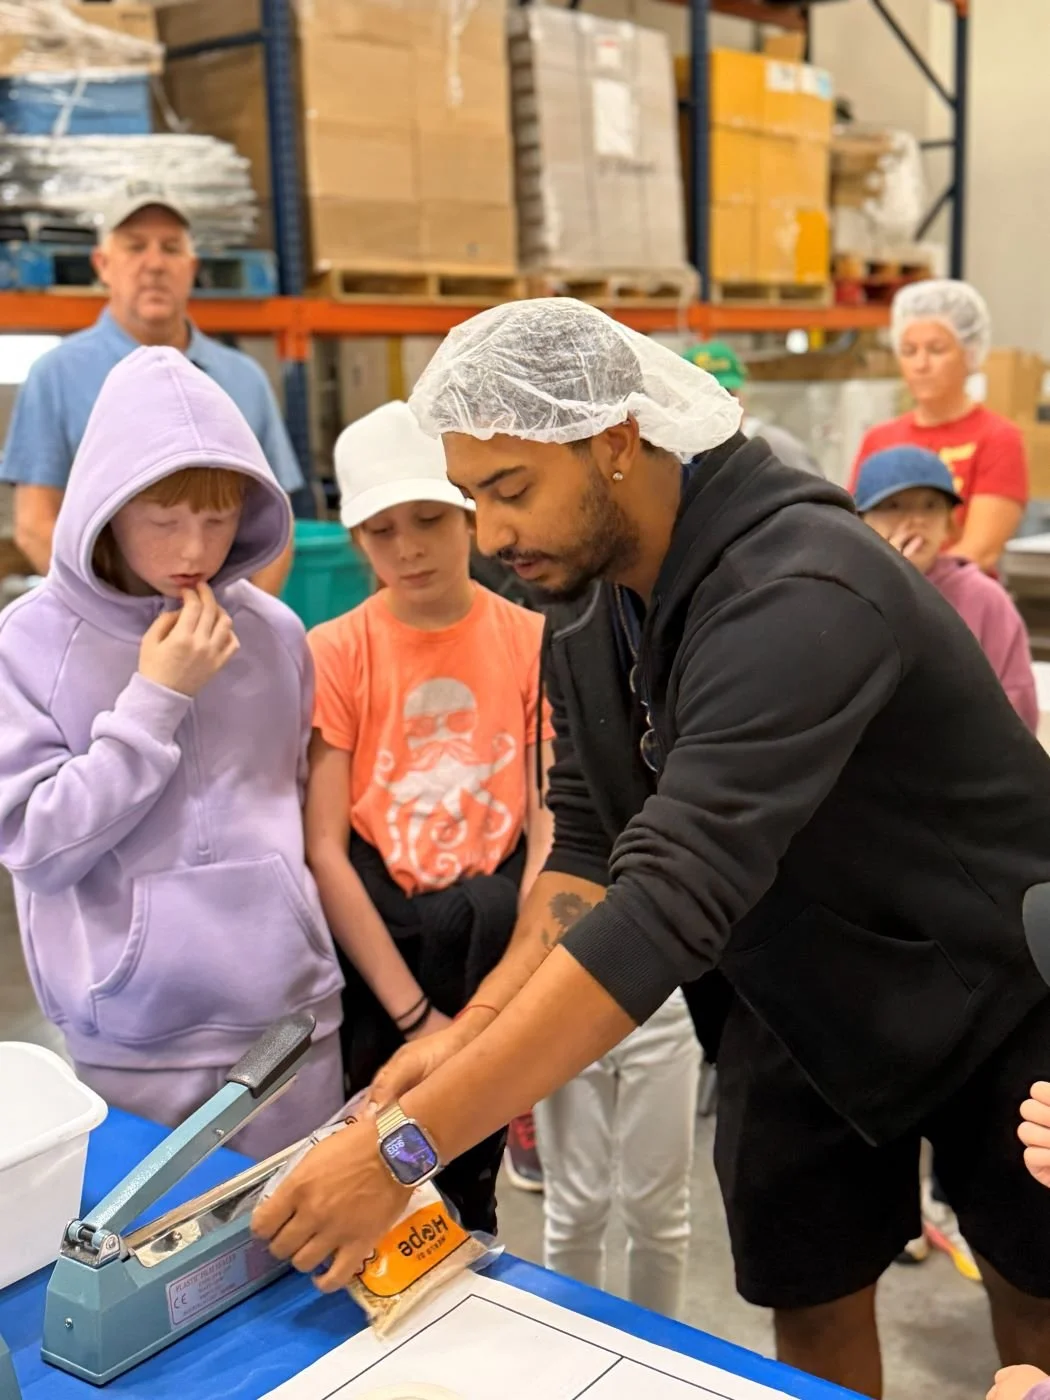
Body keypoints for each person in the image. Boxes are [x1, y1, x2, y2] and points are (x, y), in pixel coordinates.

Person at [252, 299, 1050, 1400]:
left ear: (617, 440)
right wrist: (468, 1033)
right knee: (808, 1284)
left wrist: (406, 1149)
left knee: (1034, 1279)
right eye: (472, 494)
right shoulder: (592, 600)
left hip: (988, 985)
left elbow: (672, 892)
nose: (488, 536)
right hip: (799, 987)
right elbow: (586, 848)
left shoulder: (802, 587)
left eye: (511, 488)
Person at [0, 347, 344, 1160]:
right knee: (149, 1271)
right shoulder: (30, 641)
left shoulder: (274, 633)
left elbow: (291, 804)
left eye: (220, 517)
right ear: (108, 506)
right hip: (131, 1037)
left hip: (295, 1022)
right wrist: (157, 700)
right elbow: (33, 846)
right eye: (163, 517)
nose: (197, 544)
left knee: (304, 1260)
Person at [303, 399, 554, 1231]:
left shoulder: (527, 639)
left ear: (470, 517)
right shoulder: (336, 651)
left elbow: (550, 816)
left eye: (429, 519)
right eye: (382, 530)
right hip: (388, 958)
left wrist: (503, 999)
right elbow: (327, 850)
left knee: (467, 1200)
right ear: (356, 540)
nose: (408, 548)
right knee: (381, 1185)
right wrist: (415, 1014)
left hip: (496, 947)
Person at [1, 186, 303, 595]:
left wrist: (242, 625)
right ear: (102, 264)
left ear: (192, 266)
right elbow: (36, 524)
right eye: (135, 247)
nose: (155, 264)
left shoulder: (243, 379)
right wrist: (109, 619)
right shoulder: (56, 375)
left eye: (171, 248)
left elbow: (276, 525)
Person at [534, 986, 699, 1315]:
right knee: (574, 1212)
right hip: (567, 991)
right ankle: (571, 1345)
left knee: (658, 1214)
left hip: (665, 990)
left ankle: (658, 1351)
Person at [856, 446, 1038, 733]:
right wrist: (891, 578)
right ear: (861, 521)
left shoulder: (984, 598)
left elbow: (1017, 706)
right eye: (893, 506)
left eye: (930, 505)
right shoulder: (850, 593)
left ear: (950, 523)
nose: (915, 520)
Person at [851, 279, 1028, 574]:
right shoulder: (879, 439)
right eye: (908, 351)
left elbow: (979, 552)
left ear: (969, 353)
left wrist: (908, 584)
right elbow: (855, 533)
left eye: (936, 349)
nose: (921, 364)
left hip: (961, 606)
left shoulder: (997, 438)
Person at [682, 339, 824, 477]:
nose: (717, 406)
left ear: (742, 393)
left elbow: (820, 497)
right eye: (706, 397)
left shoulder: (775, 447)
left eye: (727, 393)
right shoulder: (683, 456)